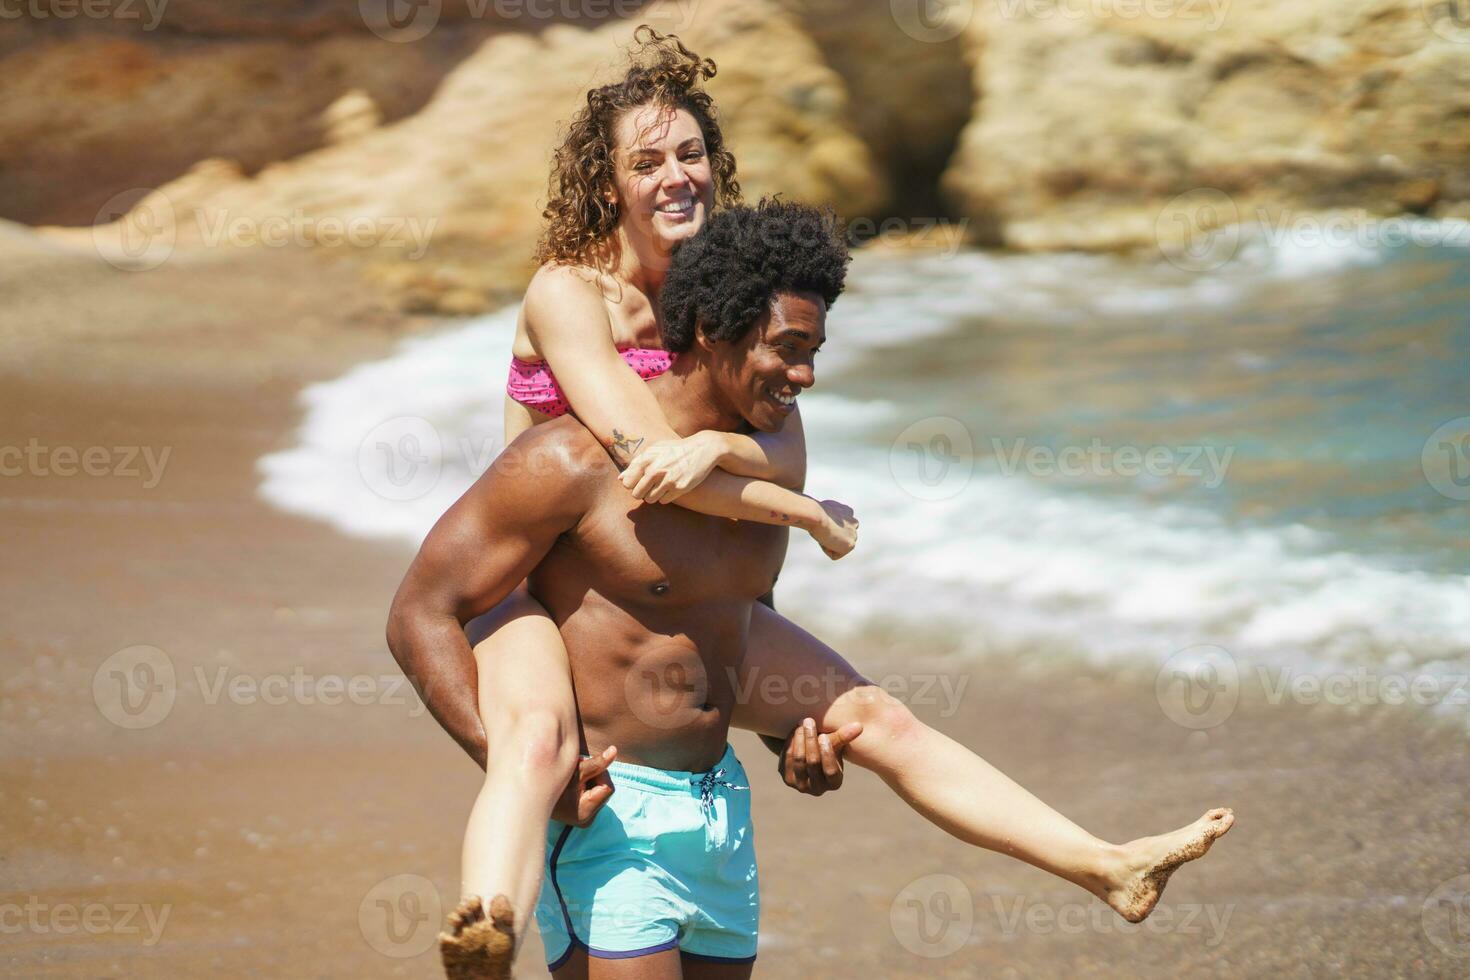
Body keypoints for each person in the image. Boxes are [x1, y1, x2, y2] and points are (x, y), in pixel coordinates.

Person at [387, 201, 1234, 980]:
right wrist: (516, 764)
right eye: (787, 348)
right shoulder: (567, 464)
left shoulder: (770, 462)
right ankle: (493, 921)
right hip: (613, 823)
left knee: (884, 721)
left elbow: (733, 625)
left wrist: (794, 739)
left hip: (719, 817)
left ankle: (1106, 866)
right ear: (714, 328)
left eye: (813, 352)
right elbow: (420, 613)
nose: (805, 378)